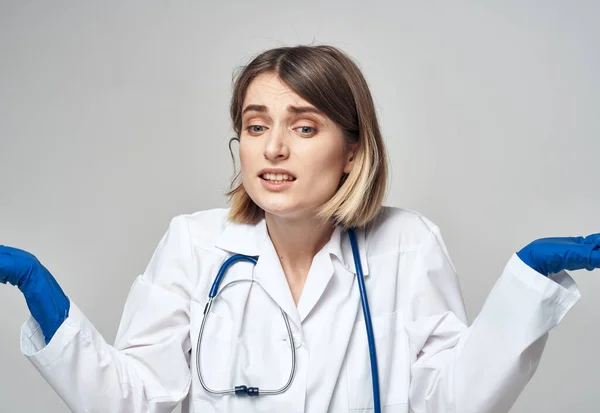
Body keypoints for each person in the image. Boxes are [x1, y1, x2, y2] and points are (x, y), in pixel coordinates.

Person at [1, 44, 599, 413]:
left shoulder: (408, 244)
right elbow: (135, 404)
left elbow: (450, 403)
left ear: (352, 149)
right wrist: (43, 297)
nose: (274, 149)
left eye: (305, 127)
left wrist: (524, 286)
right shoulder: (194, 243)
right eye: (256, 127)